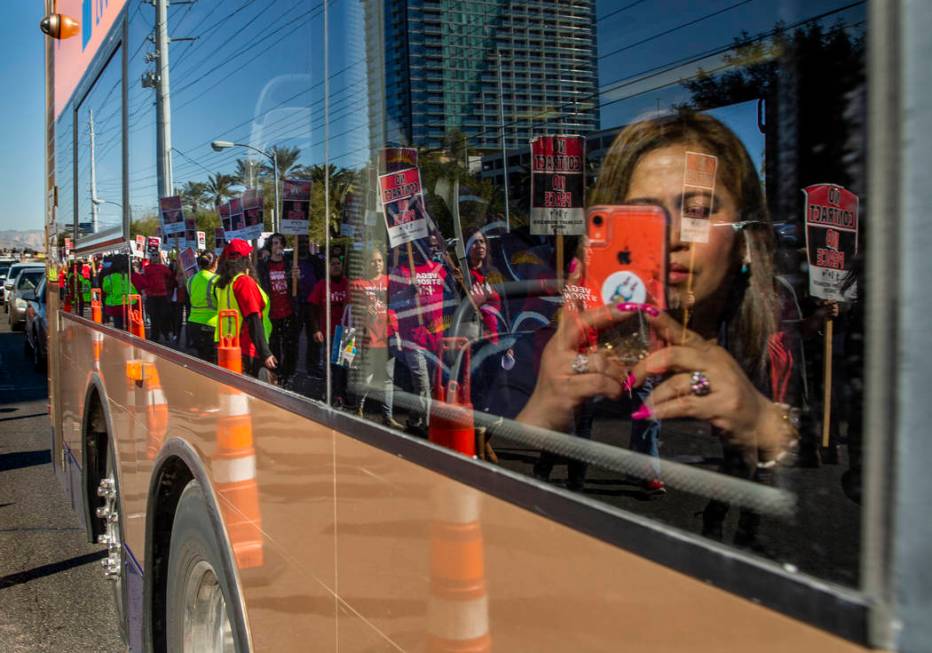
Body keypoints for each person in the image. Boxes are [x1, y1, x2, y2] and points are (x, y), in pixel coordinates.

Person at [515, 111, 801, 544]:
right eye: (643, 222)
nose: (671, 239)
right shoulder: (599, 309)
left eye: (699, 211)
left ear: (746, 239)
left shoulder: (766, 321)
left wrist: (763, 424)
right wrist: (541, 413)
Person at [351, 248, 401, 428]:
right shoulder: (358, 284)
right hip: (368, 338)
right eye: (373, 261)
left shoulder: (390, 282)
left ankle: (388, 416)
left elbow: (397, 306)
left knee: (388, 379)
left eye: (380, 261)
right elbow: (352, 312)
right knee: (367, 379)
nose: (377, 264)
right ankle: (359, 408)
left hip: (386, 338)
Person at [213, 239, 277, 380]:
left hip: (226, 347)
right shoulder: (243, 282)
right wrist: (265, 352)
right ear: (245, 259)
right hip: (248, 349)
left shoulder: (222, 284)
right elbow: (253, 318)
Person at [257, 233, 298, 388]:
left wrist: (296, 278)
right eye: (275, 243)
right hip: (271, 314)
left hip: (288, 312)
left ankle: (287, 375)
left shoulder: (290, 264)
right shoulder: (263, 266)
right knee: (274, 347)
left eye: (281, 243)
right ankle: (276, 374)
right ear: (270, 246)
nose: (278, 246)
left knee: (290, 347)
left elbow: (296, 290)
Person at [307, 253, 349, 404]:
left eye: (338, 263)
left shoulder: (348, 284)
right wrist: (316, 329)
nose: (336, 266)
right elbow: (311, 308)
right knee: (332, 368)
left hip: (346, 332)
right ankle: (331, 395)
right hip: (328, 332)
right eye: (333, 264)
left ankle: (342, 395)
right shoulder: (321, 285)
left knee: (344, 367)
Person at [186, 251, 219, 363]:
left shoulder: (190, 280)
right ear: (215, 263)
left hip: (193, 323)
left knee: (200, 360)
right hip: (211, 325)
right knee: (212, 361)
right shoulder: (217, 280)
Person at [142, 251, 174, 344]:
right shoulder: (146, 268)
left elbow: (170, 277)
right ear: (151, 258)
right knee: (154, 316)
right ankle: (155, 336)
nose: (155, 257)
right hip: (152, 296)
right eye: (153, 255)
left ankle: (165, 334)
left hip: (162, 295)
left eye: (156, 255)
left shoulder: (163, 268)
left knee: (163, 316)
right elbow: (143, 279)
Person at [101, 255, 139, 331]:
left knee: (118, 326)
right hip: (130, 304)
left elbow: (106, 289)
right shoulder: (131, 276)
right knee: (130, 327)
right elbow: (142, 285)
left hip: (115, 305)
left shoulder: (109, 277)